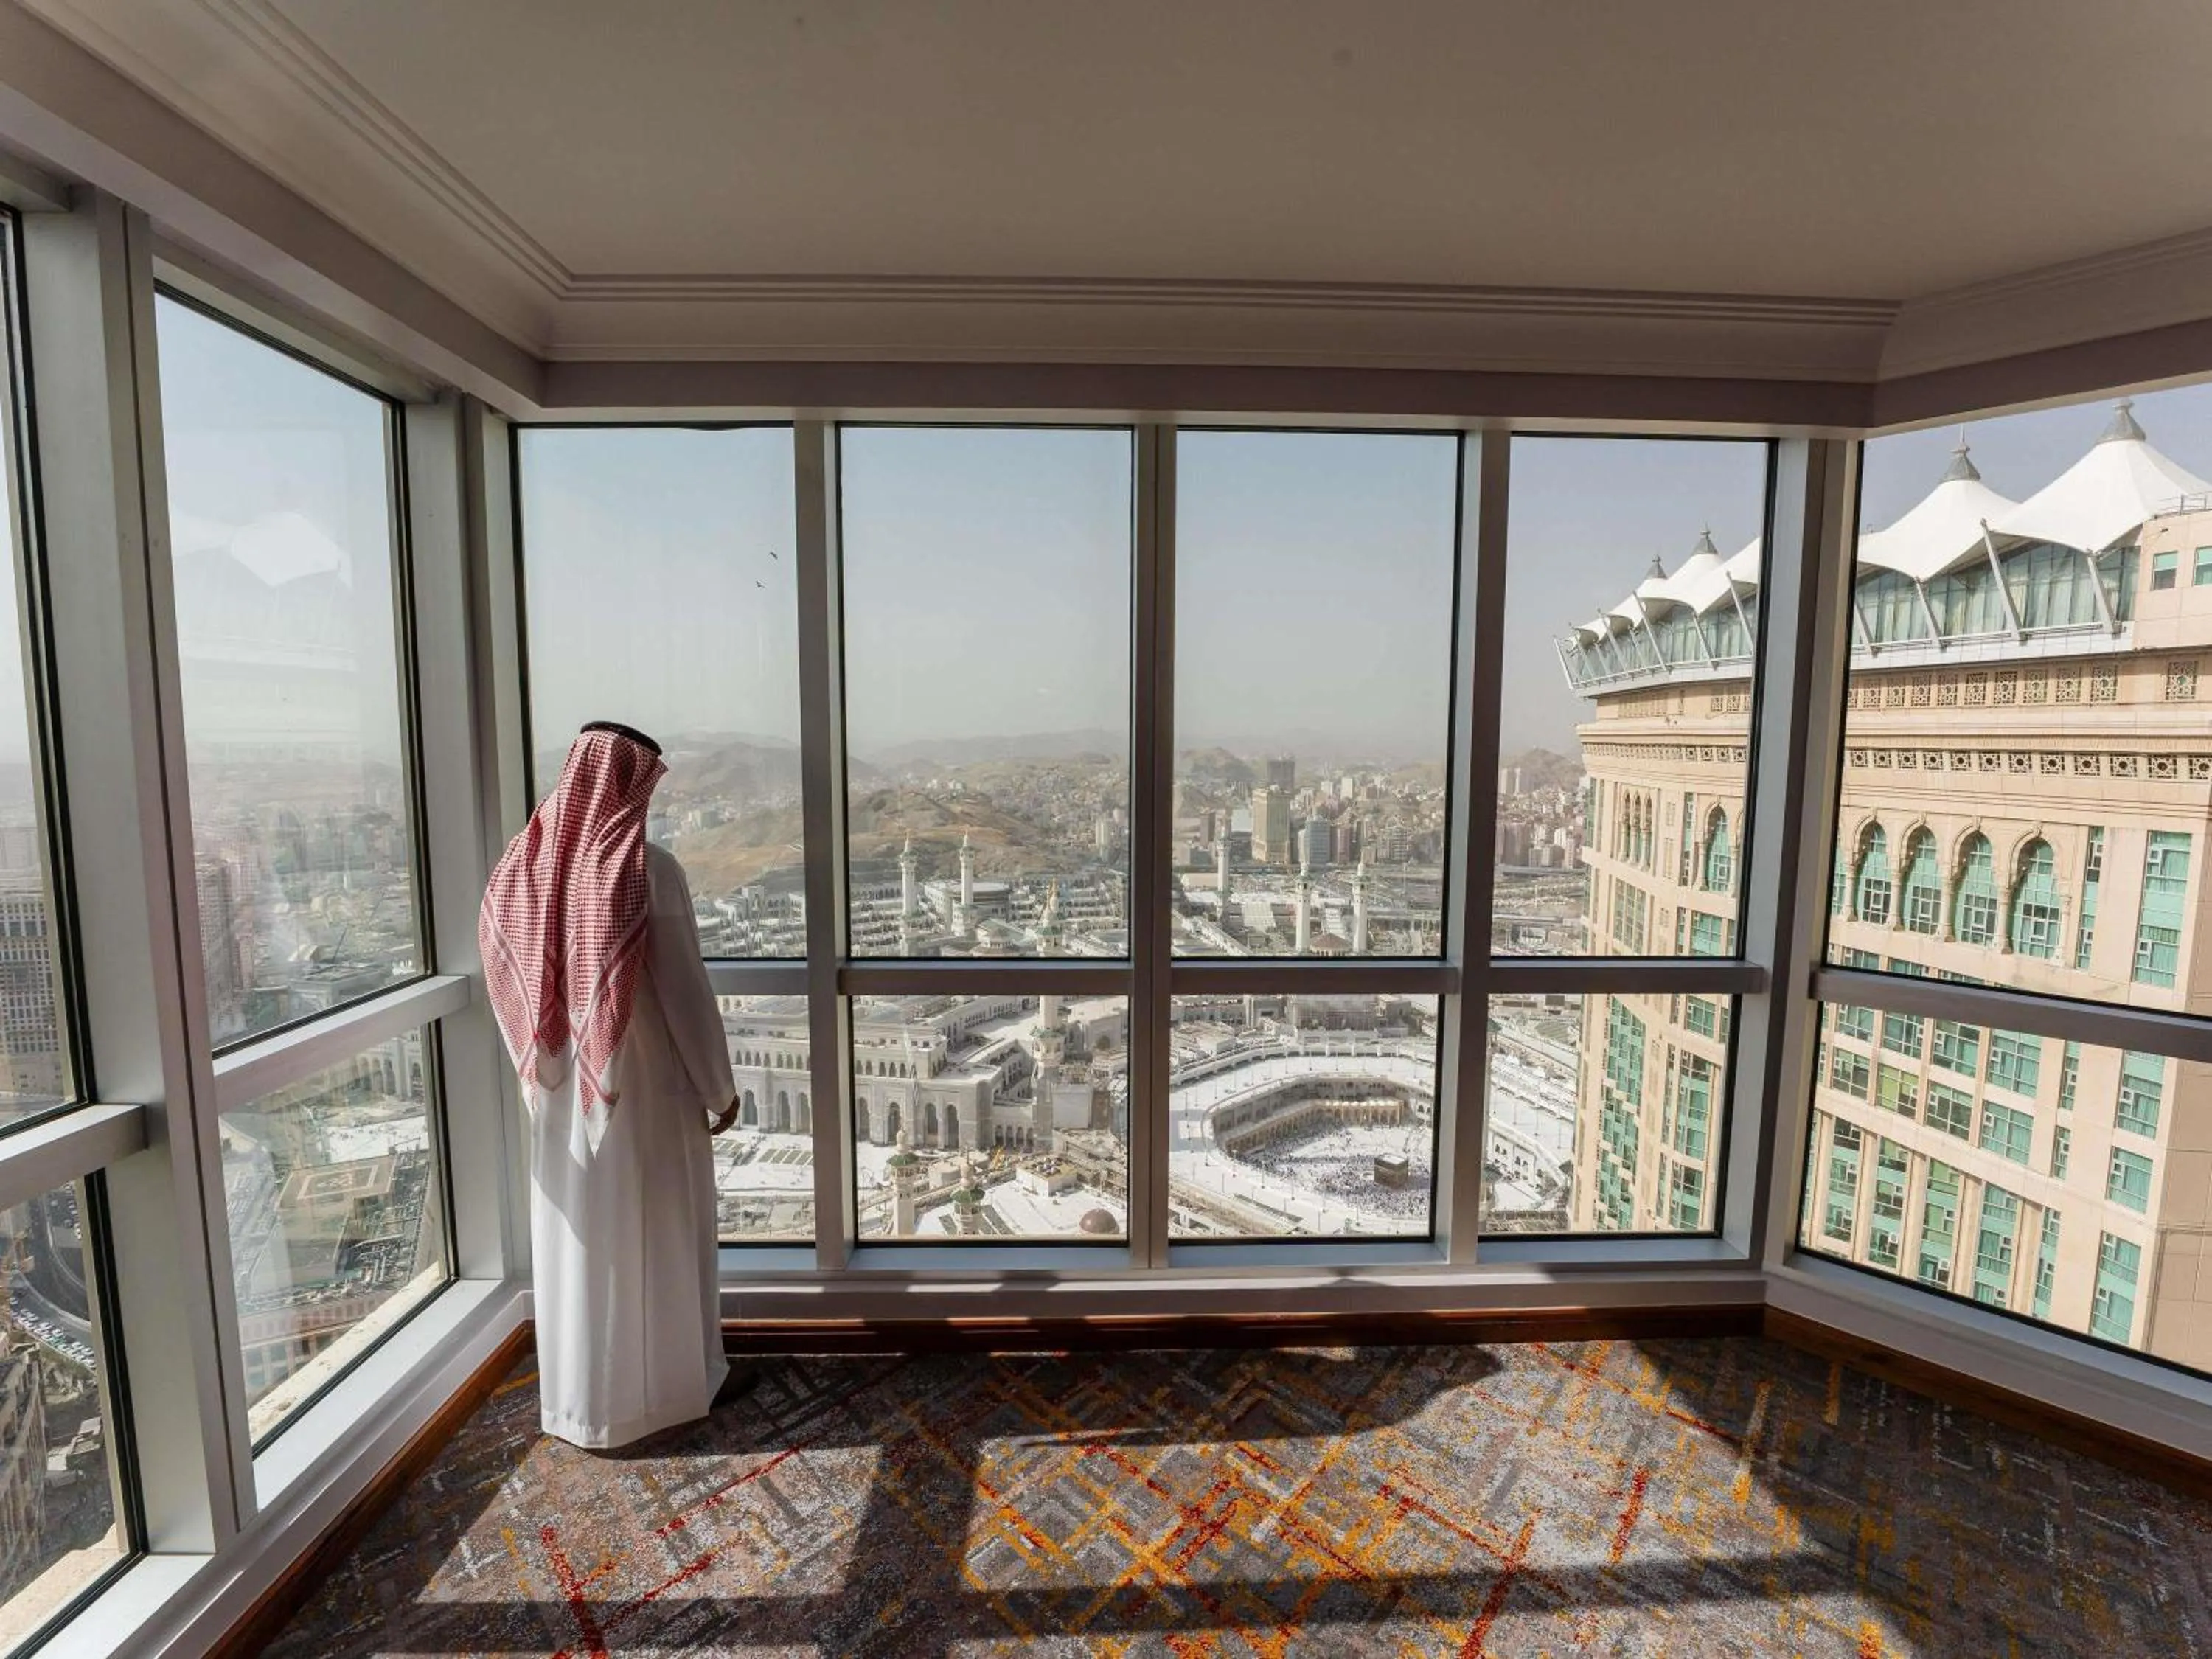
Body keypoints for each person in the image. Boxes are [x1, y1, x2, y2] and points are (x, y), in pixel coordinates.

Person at [479, 720, 739, 1448]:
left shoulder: (524, 870)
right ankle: (669, 1392)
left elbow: (510, 981)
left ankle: (581, 1403)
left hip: (562, 1095)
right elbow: (685, 993)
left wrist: (546, 1075)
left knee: (583, 1248)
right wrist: (719, 1090)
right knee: (657, 1234)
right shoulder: (646, 870)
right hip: (644, 1086)